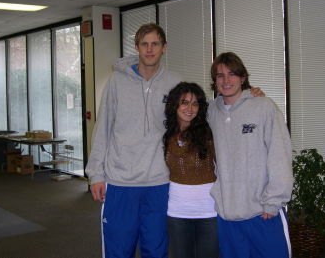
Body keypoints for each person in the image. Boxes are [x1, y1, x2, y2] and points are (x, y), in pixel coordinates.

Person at [85, 23, 181, 258]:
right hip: (120, 183)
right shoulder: (116, 82)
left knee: (157, 251)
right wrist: (96, 174)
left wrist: (247, 92)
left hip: (159, 182)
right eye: (144, 44)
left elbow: (197, 116)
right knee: (119, 251)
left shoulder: (175, 84)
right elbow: (103, 128)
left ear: (164, 47)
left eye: (155, 44)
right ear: (137, 47)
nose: (150, 49)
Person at [207, 52, 293, 258]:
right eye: (220, 75)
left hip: (262, 213)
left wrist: (273, 202)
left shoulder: (264, 107)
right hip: (227, 217)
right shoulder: (210, 112)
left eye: (232, 74)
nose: (226, 81)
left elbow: (280, 155)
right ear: (214, 81)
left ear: (243, 77)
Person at [163, 82, 218, 258]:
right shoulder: (165, 134)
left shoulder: (210, 133)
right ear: (175, 105)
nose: (190, 108)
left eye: (195, 103)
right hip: (177, 210)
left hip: (208, 210)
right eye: (185, 102)